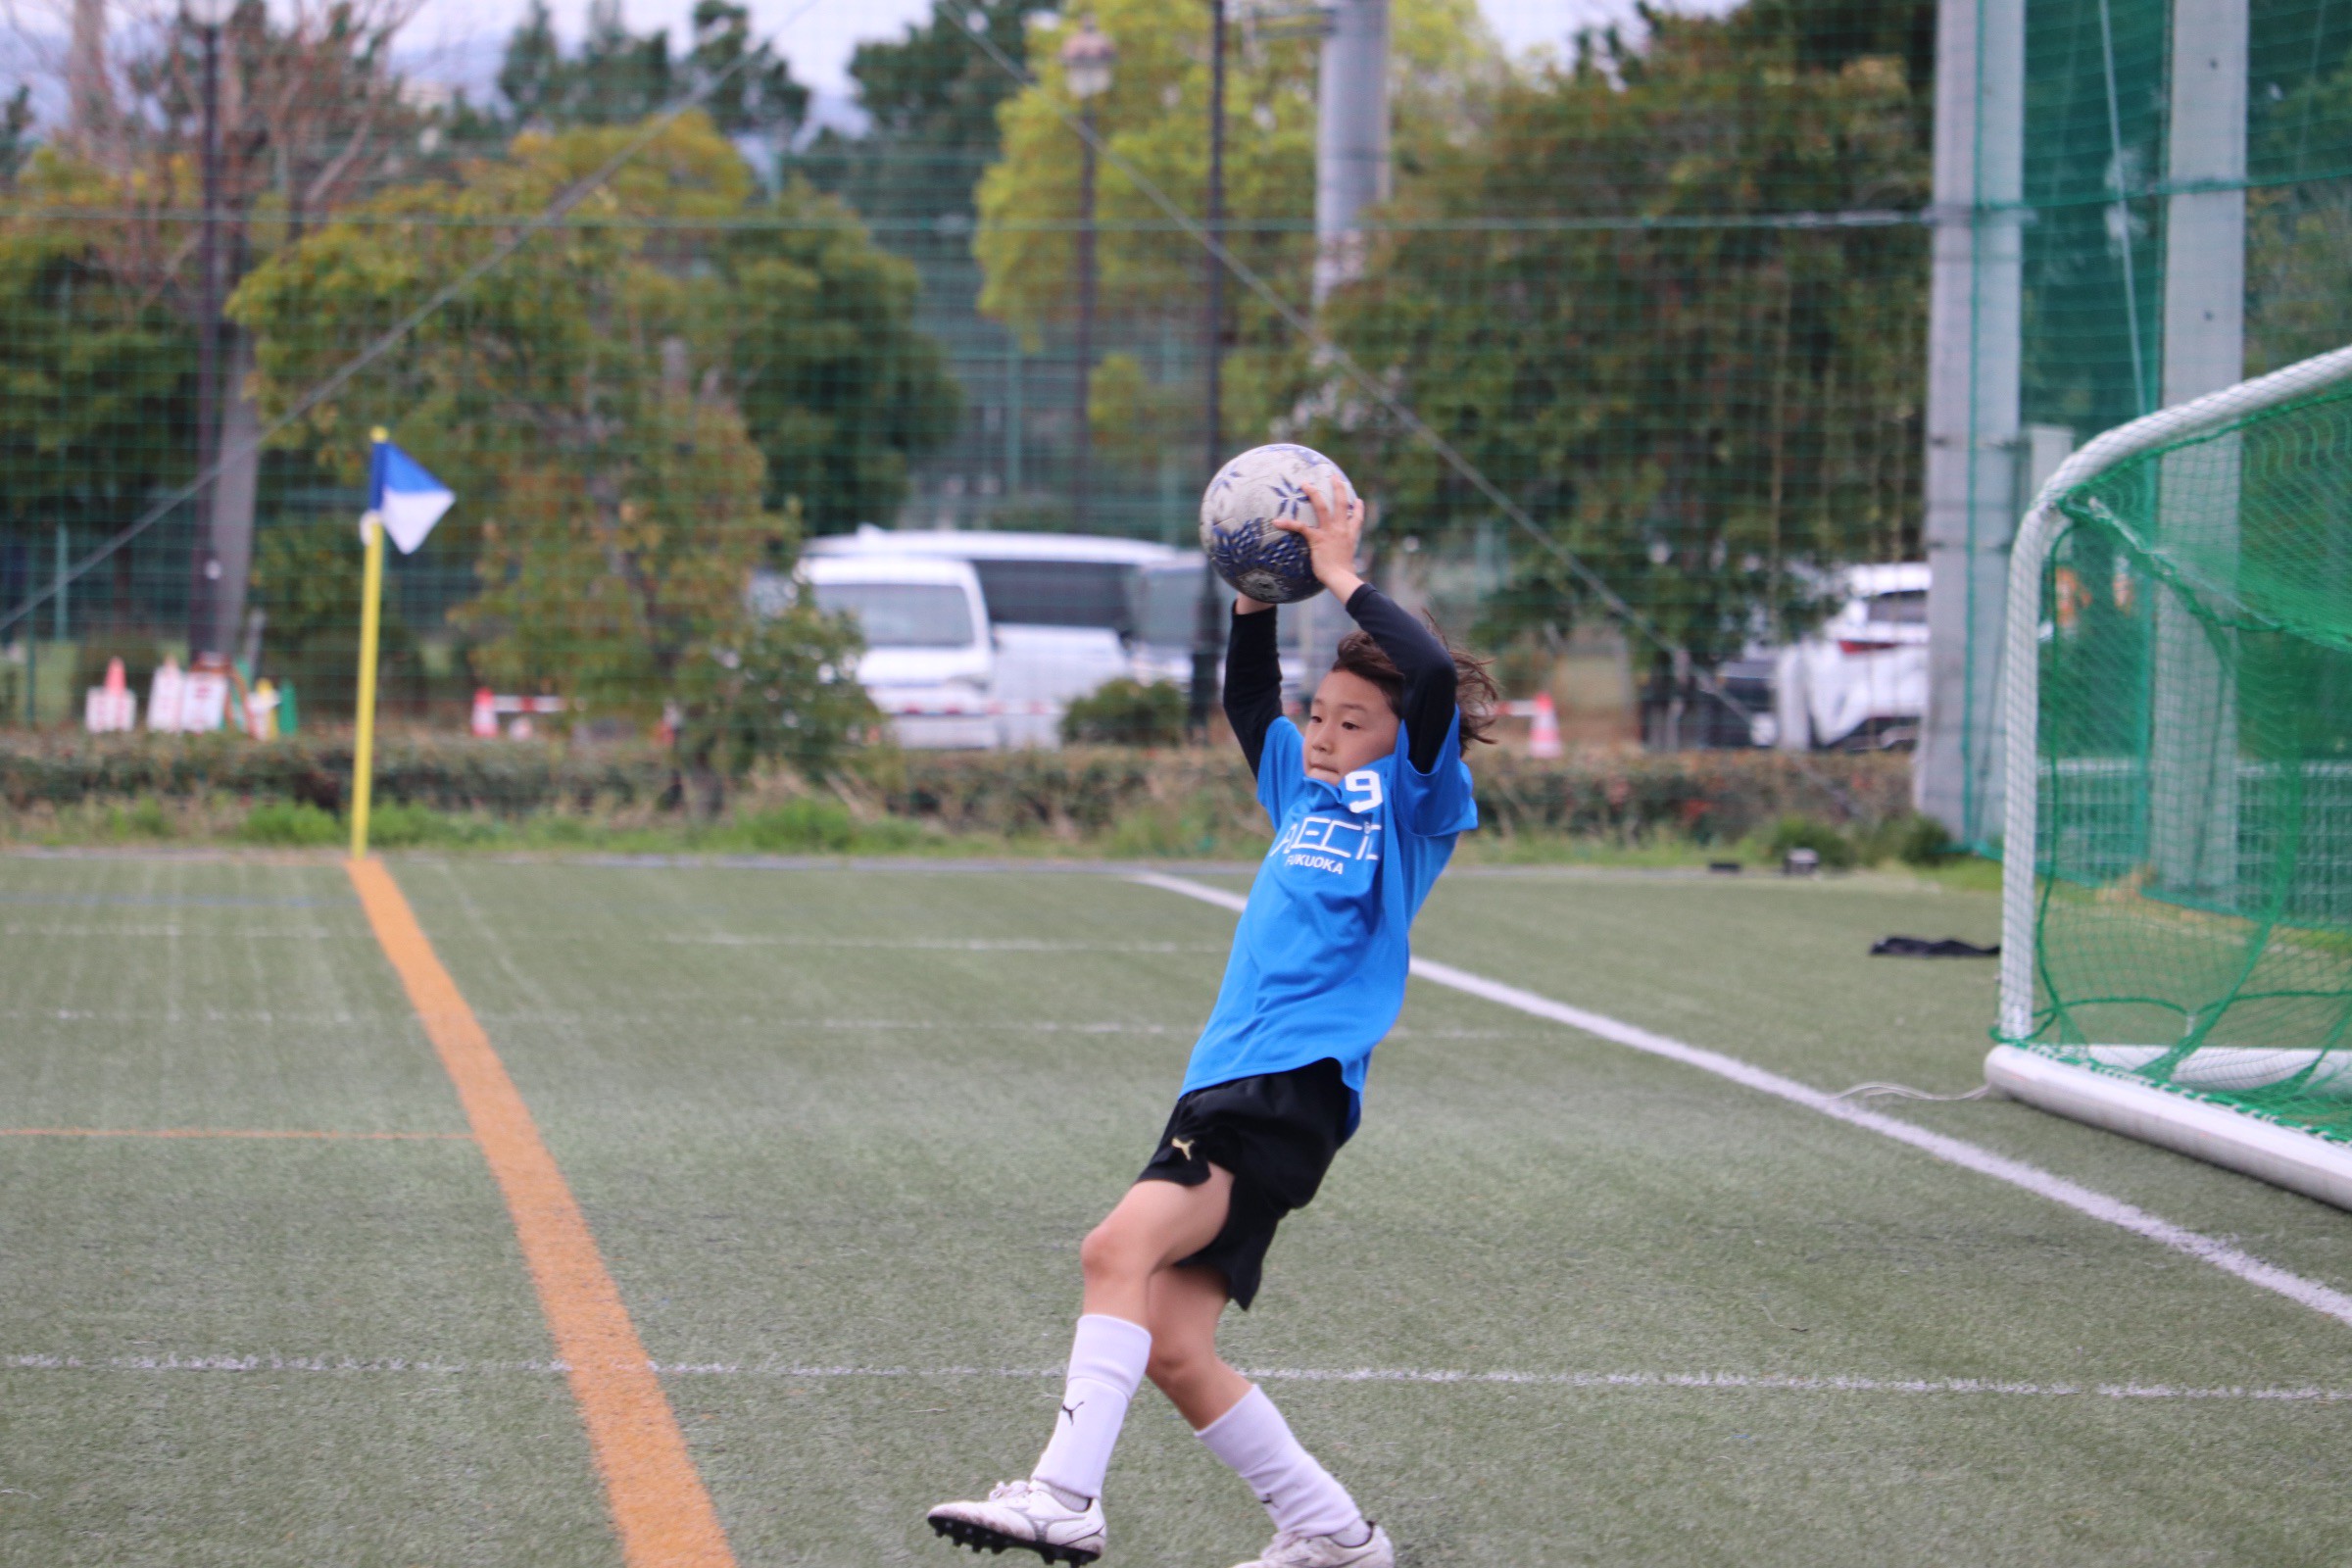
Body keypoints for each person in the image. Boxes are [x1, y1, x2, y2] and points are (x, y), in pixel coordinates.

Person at [926, 479, 1497, 1568]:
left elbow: (1426, 674)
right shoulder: (1299, 788)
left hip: (1288, 1081)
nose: (1323, 734)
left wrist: (1339, 575)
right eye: (1319, 716)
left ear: (1404, 742)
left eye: (1353, 724)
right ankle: (1333, 1532)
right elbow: (1248, 697)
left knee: (1114, 1249)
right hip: (1233, 1077)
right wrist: (1253, 589)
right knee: (1176, 1347)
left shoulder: (1415, 804)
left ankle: (1065, 1495)